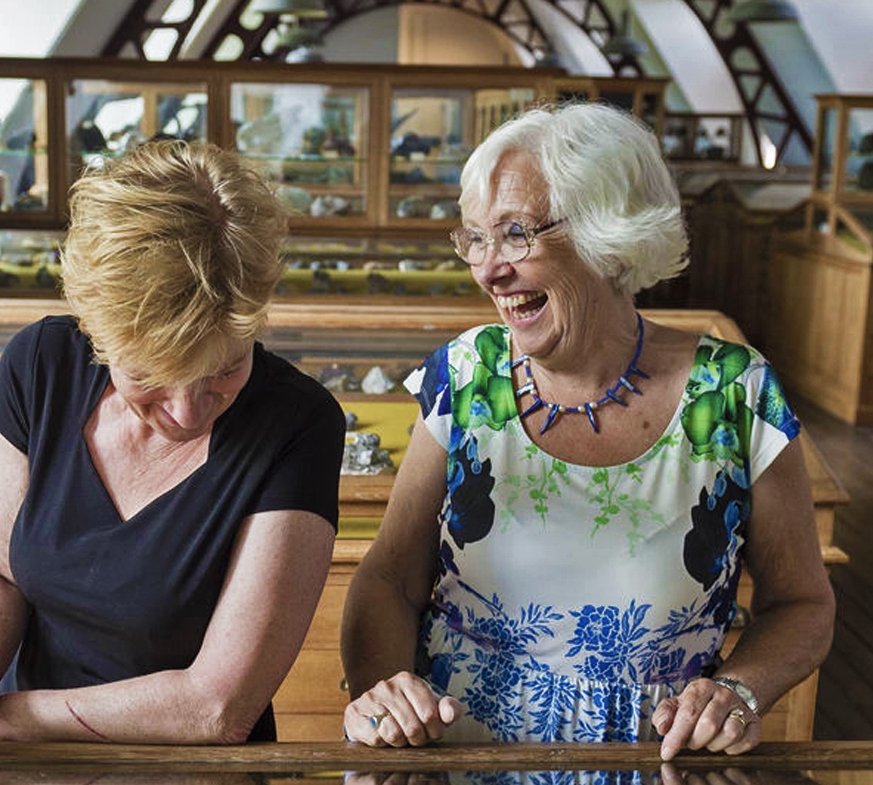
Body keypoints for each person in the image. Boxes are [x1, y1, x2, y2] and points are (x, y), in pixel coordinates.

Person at [339, 103, 834, 759]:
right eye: (476, 239)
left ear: (611, 233)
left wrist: (738, 692)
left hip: (655, 763)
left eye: (516, 234)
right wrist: (384, 698)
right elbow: (390, 580)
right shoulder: (465, 375)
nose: (488, 269)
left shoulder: (735, 393)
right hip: (458, 758)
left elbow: (801, 604)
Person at [0, 140, 346, 749]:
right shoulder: (40, 365)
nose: (187, 411)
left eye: (223, 369)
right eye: (150, 374)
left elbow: (218, 709)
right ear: (97, 336)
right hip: (18, 767)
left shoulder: (300, 424)